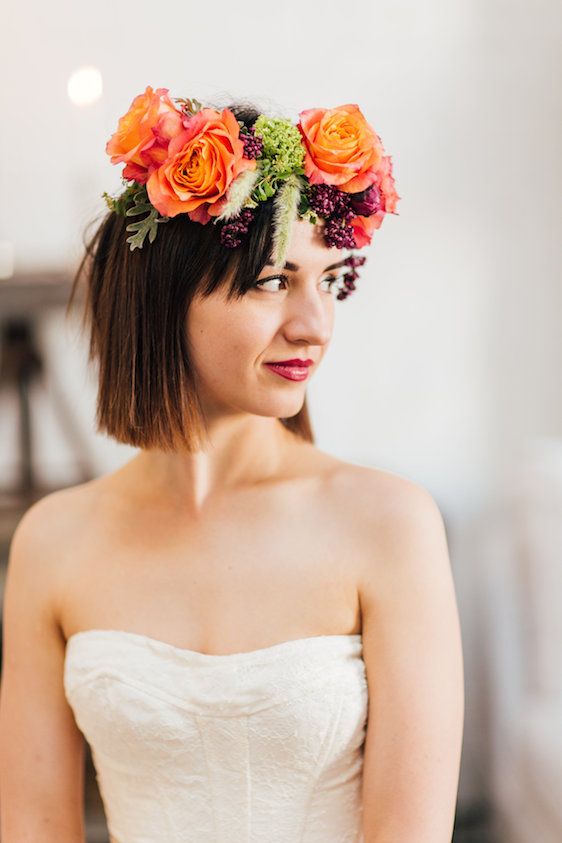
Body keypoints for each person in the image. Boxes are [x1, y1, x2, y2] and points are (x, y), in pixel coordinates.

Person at [0, 88, 464, 842]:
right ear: (163, 296)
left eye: (331, 279)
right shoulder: (53, 541)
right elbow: (33, 825)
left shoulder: (389, 523)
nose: (315, 325)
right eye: (275, 280)